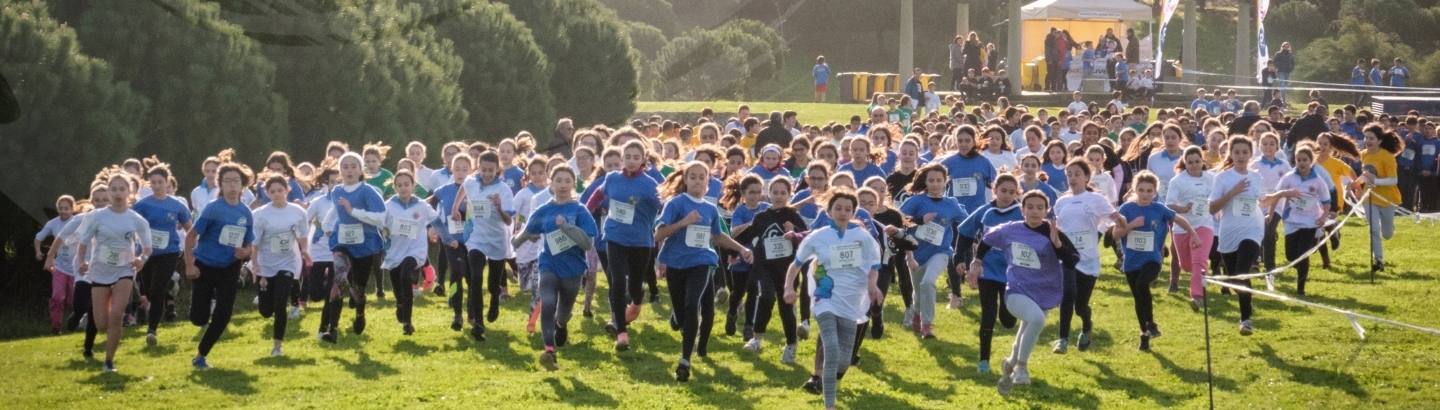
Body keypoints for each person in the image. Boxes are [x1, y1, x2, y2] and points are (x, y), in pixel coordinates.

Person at [970, 191, 1079, 396]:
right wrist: (977, 263)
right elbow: (985, 239)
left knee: (1026, 329)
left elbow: (1073, 260)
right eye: (1030, 207)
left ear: (1047, 211)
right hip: (1016, 290)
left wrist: (1057, 244)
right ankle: (1021, 367)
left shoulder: (1052, 231)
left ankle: (1009, 365)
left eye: (1040, 208)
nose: (1035, 212)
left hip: (1044, 292)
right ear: (1022, 210)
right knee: (1036, 319)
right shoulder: (1010, 230)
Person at [655, 161, 754, 381]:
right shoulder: (675, 204)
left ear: (708, 182)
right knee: (683, 315)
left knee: (693, 305)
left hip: (701, 262)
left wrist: (741, 248)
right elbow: (658, 235)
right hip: (675, 263)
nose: (698, 181)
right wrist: (684, 222)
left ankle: (685, 361)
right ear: (686, 180)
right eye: (693, 177)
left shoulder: (710, 209)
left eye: (702, 177)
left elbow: (717, 236)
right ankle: (679, 319)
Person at [783, 190, 882, 410]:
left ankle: (831, 376)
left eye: (848, 209)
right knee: (831, 347)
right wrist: (789, 286)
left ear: (854, 212)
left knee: (844, 359)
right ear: (828, 211)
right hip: (825, 298)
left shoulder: (862, 237)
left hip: (850, 301)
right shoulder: (818, 236)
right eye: (838, 208)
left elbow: (875, 265)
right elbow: (796, 264)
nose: (843, 213)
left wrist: (872, 285)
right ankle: (830, 405)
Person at [513, 165, 597, 371]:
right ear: (551, 184)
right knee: (548, 301)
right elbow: (526, 232)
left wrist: (566, 227)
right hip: (548, 263)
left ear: (573, 184)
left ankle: (561, 325)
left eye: (567, 181)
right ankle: (549, 351)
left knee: (564, 311)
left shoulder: (579, 210)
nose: (562, 185)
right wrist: (515, 242)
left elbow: (588, 244)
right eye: (558, 181)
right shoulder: (544, 210)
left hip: (574, 267)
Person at [586, 139, 664, 351]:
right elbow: (598, 194)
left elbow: (664, 206)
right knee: (617, 281)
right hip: (614, 237)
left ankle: (637, 302)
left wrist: (665, 221)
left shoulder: (649, 184)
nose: (631, 161)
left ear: (643, 160)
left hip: (641, 241)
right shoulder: (612, 178)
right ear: (622, 158)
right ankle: (622, 333)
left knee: (636, 286)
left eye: (635, 158)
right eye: (627, 157)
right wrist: (586, 211)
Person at [1209, 136, 1292, 335]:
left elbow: (1262, 201)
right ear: (1231, 153)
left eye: (1245, 152)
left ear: (1250, 154)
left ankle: (1245, 320)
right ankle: (1247, 306)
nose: (1240, 156)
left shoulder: (1256, 177)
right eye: (1236, 152)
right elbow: (1212, 208)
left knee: (1242, 272)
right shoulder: (1222, 177)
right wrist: (1232, 192)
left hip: (1252, 229)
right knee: (1236, 280)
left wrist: (1281, 194)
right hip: (1229, 231)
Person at [1115, 171, 1199, 351]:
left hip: (1152, 259)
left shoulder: (1159, 208)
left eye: (1149, 191)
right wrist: (1131, 226)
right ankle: (1144, 334)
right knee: (1138, 298)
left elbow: (1179, 219)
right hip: (1131, 261)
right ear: (1135, 190)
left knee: (1142, 284)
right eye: (1141, 190)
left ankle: (1151, 323)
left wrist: (1193, 234)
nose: (1145, 194)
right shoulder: (1126, 209)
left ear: (1155, 192)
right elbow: (1115, 234)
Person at [78, 171, 153, 372]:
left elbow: (148, 247)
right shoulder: (97, 217)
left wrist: (142, 260)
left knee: (117, 315)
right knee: (101, 323)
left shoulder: (136, 219)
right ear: (108, 192)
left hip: (124, 270)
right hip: (100, 270)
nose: (118, 193)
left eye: (122, 189)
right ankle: (109, 322)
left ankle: (109, 361)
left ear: (129, 191)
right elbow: (83, 242)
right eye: (114, 189)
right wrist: (80, 262)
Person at [185, 161, 253, 368]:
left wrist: (245, 252)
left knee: (223, 315)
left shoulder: (245, 213)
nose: (232, 185)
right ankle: (203, 313)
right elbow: (190, 236)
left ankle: (201, 355)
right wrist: (189, 264)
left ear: (243, 185)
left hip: (229, 268)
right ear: (220, 185)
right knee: (198, 318)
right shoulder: (213, 208)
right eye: (227, 181)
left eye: (236, 181)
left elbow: (250, 245)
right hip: (205, 265)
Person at [317, 152, 387, 344]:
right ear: (340, 171)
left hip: (364, 245)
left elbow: (381, 218)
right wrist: (327, 226)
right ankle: (333, 330)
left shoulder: (368, 191)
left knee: (358, 290)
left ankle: (359, 313)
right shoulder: (337, 191)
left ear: (360, 169)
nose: (349, 170)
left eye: (353, 166)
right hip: (342, 242)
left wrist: (353, 211)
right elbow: (334, 211)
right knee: (338, 278)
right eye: (345, 167)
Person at [956, 174, 1022, 372]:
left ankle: (1010, 317)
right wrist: (959, 258)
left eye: (1012, 192)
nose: (1007, 196)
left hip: (1013, 272)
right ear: (994, 190)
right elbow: (965, 233)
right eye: (1003, 191)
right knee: (988, 315)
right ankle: (983, 360)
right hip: (986, 269)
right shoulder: (985, 212)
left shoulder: (1021, 212)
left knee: (1008, 321)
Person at [1051, 158, 1117, 354]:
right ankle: (1062, 340)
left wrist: (1119, 228)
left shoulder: (1096, 199)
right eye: (1069, 174)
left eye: (1077, 174)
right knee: (1067, 296)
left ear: (1087, 177)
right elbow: (1059, 229)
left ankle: (1087, 325)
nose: (1072, 178)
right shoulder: (1061, 202)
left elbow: (1113, 217)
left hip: (1089, 259)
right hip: (1068, 258)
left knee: (1080, 307)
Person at [900, 164, 968, 339]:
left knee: (928, 282)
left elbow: (968, 222)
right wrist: (919, 220)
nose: (935, 184)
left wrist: (979, 234)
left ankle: (927, 325)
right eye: (931, 180)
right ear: (925, 182)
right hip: (916, 253)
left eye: (939, 180)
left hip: (941, 251)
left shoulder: (951, 204)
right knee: (919, 290)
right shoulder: (917, 201)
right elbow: (899, 220)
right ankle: (916, 312)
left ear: (946, 181)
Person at [454, 151, 516, 340]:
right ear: (478, 168)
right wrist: (455, 207)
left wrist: (499, 208)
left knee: (492, 284)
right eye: (483, 169)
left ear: (497, 169)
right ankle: (479, 324)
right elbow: (464, 187)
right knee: (476, 277)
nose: (487, 173)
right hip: (476, 238)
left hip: (497, 239)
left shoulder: (504, 189)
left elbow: (508, 221)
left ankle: (495, 300)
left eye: (491, 170)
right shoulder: (472, 182)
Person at [130, 163, 191, 347]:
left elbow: (191, 229)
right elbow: (131, 227)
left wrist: (194, 248)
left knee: (156, 291)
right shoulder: (142, 205)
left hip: (169, 253)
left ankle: (152, 331)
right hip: (146, 255)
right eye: (153, 182)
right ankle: (166, 289)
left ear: (167, 182)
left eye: (160, 182)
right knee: (149, 292)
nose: (157, 186)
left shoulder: (177, 205)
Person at [251, 173, 311, 356]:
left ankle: (277, 347)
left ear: (287, 190)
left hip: (288, 262)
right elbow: (253, 243)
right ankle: (263, 301)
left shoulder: (298, 212)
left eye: (280, 190)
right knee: (266, 311)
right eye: (272, 191)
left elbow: (302, 236)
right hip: (266, 265)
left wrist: (304, 251)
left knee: (280, 304)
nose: (277, 194)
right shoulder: (259, 214)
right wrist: (254, 264)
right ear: (267, 193)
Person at [1275, 143, 1330, 296]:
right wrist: (1274, 210)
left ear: (1311, 161)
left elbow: (1326, 202)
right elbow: (1276, 194)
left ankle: (1301, 288)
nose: (1301, 163)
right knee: (1291, 256)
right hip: (1291, 220)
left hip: (1310, 222)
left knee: (1303, 253)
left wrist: (1324, 217)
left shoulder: (1318, 180)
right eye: (1299, 160)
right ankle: (1301, 266)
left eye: (1305, 160)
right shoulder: (1289, 178)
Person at [1166, 146, 1217, 308]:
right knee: (1187, 266)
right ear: (1185, 163)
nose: (1194, 165)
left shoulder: (1211, 179)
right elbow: (1169, 205)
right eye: (1190, 162)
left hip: (1204, 224)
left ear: (1203, 161)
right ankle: (1197, 274)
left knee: (1199, 260)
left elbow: (1217, 198)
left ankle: (1197, 296)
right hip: (1182, 227)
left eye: (1197, 161)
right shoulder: (1178, 181)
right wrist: (1182, 209)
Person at [1356, 124, 1403, 272]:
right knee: (1374, 230)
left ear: (1379, 141)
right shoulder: (1364, 154)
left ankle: (1389, 226)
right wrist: (1356, 183)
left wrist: (1376, 181)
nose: (1367, 141)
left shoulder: (1387, 157)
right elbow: (1366, 175)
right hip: (1369, 197)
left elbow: (1393, 180)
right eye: (1366, 137)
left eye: (1371, 138)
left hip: (1387, 199)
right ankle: (1379, 261)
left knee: (1387, 234)